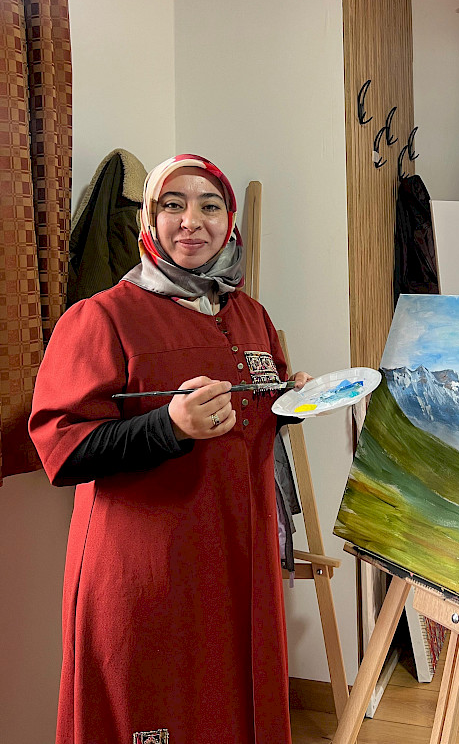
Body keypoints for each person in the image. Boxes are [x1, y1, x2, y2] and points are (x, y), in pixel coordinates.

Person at [29, 153, 311, 744]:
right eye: (173, 205)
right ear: (149, 220)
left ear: (228, 222)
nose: (192, 221)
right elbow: (62, 449)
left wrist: (292, 403)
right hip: (151, 573)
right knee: (155, 707)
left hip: (239, 565)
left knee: (232, 710)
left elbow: (252, 419)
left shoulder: (251, 316)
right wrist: (168, 427)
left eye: (209, 206)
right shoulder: (102, 317)